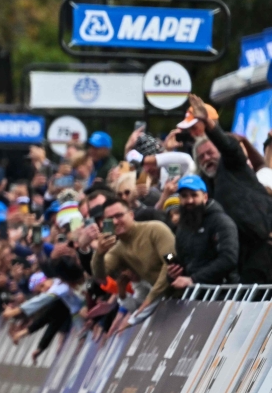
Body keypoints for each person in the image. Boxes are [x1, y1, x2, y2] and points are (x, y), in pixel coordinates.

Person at [187, 94, 272, 284]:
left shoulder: (234, 166)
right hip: (240, 255)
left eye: (210, 153)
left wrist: (208, 123)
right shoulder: (205, 187)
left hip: (264, 244)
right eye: (201, 157)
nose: (207, 158)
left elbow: (228, 146)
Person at [92, 198, 175, 323]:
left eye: (119, 215)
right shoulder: (118, 250)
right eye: (110, 219)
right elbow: (100, 274)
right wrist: (99, 253)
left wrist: (150, 299)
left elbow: (170, 260)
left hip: (191, 293)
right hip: (167, 302)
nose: (115, 221)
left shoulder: (155, 229)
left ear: (131, 214)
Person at [167, 175, 239, 288]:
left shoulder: (221, 222)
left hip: (222, 293)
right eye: (184, 196)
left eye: (194, 195)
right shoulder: (182, 227)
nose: (189, 200)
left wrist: (194, 279)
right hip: (195, 294)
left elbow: (228, 259)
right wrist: (173, 273)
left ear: (205, 197)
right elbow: (184, 261)